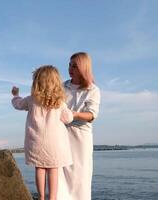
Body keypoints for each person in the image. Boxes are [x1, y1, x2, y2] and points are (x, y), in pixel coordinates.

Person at [11, 65, 74, 200]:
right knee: (53, 170)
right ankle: (52, 198)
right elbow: (68, 118)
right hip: (55, 144)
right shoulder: (59, 102)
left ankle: (41, 197)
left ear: (37, 82)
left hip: (36, 142)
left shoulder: (31, 99)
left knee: (40, 169)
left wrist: (15, 95)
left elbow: (18, 104)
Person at [57, 52, 101, 200]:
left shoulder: (93, 90)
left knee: (80, 176)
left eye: (75, 66)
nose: (70, 68)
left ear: (83, 67)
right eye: (69, 65)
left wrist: (74, 114)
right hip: (61, 135)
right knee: (59, 175)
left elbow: (91, 115)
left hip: (81, 138)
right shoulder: (61, 87)